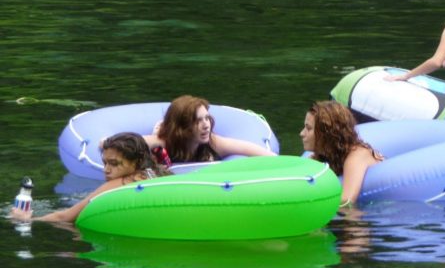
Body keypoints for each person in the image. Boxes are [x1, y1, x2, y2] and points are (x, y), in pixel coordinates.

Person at [10, 132, 170, 225]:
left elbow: (65, 217)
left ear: (137, 161)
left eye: (114, 164)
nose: (106, 170)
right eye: (105, 163)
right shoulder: (160, 173)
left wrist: (28, 220)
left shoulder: (120, 183)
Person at [145, 95, 275, 166]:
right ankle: (159, 128)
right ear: (182, 127)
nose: (206, 125)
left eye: (207, 118)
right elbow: (128, 144)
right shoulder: (163, 142)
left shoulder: (213, 143)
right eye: (198, 121)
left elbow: (251, 149)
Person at [302, 101, 384, 207]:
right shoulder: (320, 158)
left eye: (308, 128)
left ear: (327, 133)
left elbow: (347, 202)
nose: (302, 133)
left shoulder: (357, 155)